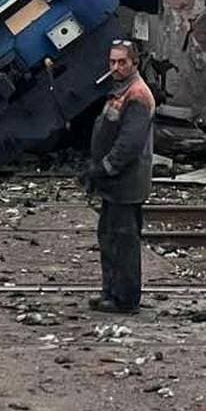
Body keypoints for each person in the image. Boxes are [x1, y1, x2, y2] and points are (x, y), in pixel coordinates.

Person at [82, 39, 154, 313]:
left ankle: (125, 299)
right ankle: (110, 293)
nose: (116, 67)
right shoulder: (120, 92)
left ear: (134, 63)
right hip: (114, 183)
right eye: (112, 62)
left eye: (122, 62)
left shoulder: (137, 95)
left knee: (123, 241)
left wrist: (103, 169)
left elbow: (129, 144)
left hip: (127, 183)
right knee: (109, 238)